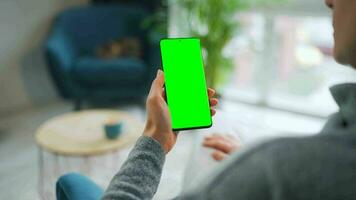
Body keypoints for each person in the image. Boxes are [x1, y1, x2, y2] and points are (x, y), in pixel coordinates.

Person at [56, 0, 356, 199]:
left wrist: (154, 139)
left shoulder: (276, 167)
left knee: (70, 182)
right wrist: (247, 160)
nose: (328, 1)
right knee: (221, 129)